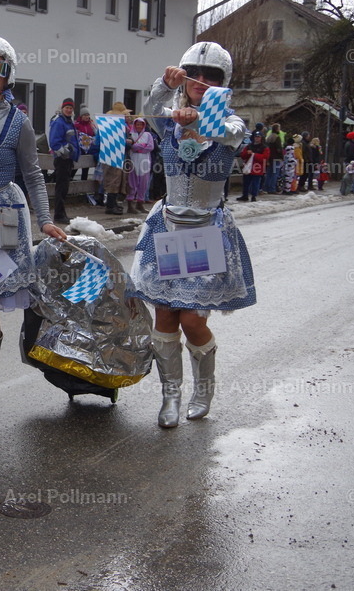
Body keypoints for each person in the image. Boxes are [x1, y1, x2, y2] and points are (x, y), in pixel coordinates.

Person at [131, 42, 256, 428]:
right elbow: (151, 109)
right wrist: (164, 86)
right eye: (193, 73)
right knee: (165, 315)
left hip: (206, 231)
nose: (201, 81)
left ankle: (204, 388)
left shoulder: (232, 121)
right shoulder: (168, 119)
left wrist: (192, 117)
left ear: (223, 82)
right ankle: (170, 397)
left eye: (211, 76)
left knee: (192, 320)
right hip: (169, 227)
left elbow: (224, 132)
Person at [0, 36, 67, 418]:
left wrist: (46, 219)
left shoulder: (18, 122)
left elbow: (34, 174)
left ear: (8, 74)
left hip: (2, 217)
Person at [48, 98, 79, 223]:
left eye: (71, 108)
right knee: (61, 188)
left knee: (64, 187)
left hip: (68, 159)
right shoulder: (59, 122)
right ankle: (59, 215)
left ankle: (62, 213)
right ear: (62, 108)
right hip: (62, 159)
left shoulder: (68, 122)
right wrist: (65, 152)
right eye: (67, 108)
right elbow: (54, 142)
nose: (69, 110)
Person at [102, 102, 132, 215]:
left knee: (118, 180)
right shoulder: (111, 126)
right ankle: (110, 206)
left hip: (118, 155)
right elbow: (114, 141)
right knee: (113, 180)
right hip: (111, 155)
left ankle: (114, 204)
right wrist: (127, 143)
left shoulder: (117, 125)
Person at [126, 117, 156, 214]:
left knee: (143, 183)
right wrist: (142, 146)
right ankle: (130, 204)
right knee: (132, 183)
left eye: (141, 124)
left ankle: (140, 203)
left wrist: (138, 147)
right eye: (137, 124)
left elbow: (150, 147)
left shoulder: (148, 135)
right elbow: (131, 146)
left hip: (145, 161)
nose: (139, 126)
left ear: (144, 125)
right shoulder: (131, 134)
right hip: (133, 160)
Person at [238, 132, 268, 201]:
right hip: (248, 166)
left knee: (255, 183)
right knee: (246, 182)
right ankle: (245, 195)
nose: (257, 138)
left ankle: (253, 196)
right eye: (256, 137)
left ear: (261, 138)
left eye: (258, 137)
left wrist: (254, 154)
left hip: (257, 168)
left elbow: (265, 158)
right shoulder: (249, 146)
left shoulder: (264, 147)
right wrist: (247, 153)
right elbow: (243, 155)